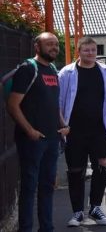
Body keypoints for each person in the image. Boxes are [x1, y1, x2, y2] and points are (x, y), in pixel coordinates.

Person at [6, 32, 69, 232]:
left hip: (52, 139)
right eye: (49, 44)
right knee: (29, 188)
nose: (54, 48)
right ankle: (25, 229)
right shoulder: (28, 69)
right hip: (32, 141)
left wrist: (63, 123)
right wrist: (30, 131)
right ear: (37, 47)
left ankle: (46, 228)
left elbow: (54, 103)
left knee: (47, 187)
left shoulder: (51, 69)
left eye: (56, 44)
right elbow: (13, 105)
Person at [58, 36, 106, 226]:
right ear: (79, 51)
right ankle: (77, 212)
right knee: (76, 169)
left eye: (93, 50)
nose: (91, 53)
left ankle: (95, 207)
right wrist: (62, 125)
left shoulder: (105, 71)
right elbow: (58, 101)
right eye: (86, 50)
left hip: (100, 128)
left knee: (103, 163)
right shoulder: (67, 73)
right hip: (74, 130)